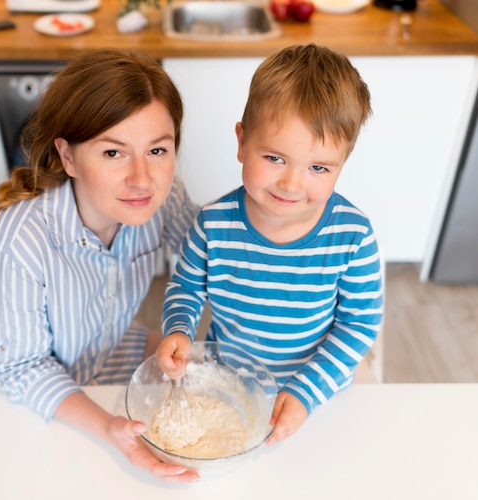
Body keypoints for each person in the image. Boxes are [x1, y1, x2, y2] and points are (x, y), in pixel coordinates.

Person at [0, 49, 200, 482]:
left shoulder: (158, 197)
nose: (142, 178)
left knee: (198, 369)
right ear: (68, 157)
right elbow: (21, 367)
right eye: (113, 153)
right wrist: (110, 429)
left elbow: (214, 255)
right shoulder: (20, 237)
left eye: (158, 150)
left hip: (91, 339)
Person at [156, 44, 383, 447]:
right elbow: (187, 289)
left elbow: (359, 324)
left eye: (318, 167)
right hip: (227, 384)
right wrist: (179, 329)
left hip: (316, 392)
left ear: (342, 164)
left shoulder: (353, 237)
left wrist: (306, 392)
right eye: (275, 158)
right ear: (242, 142)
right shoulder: (212, 224)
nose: (292, 183)